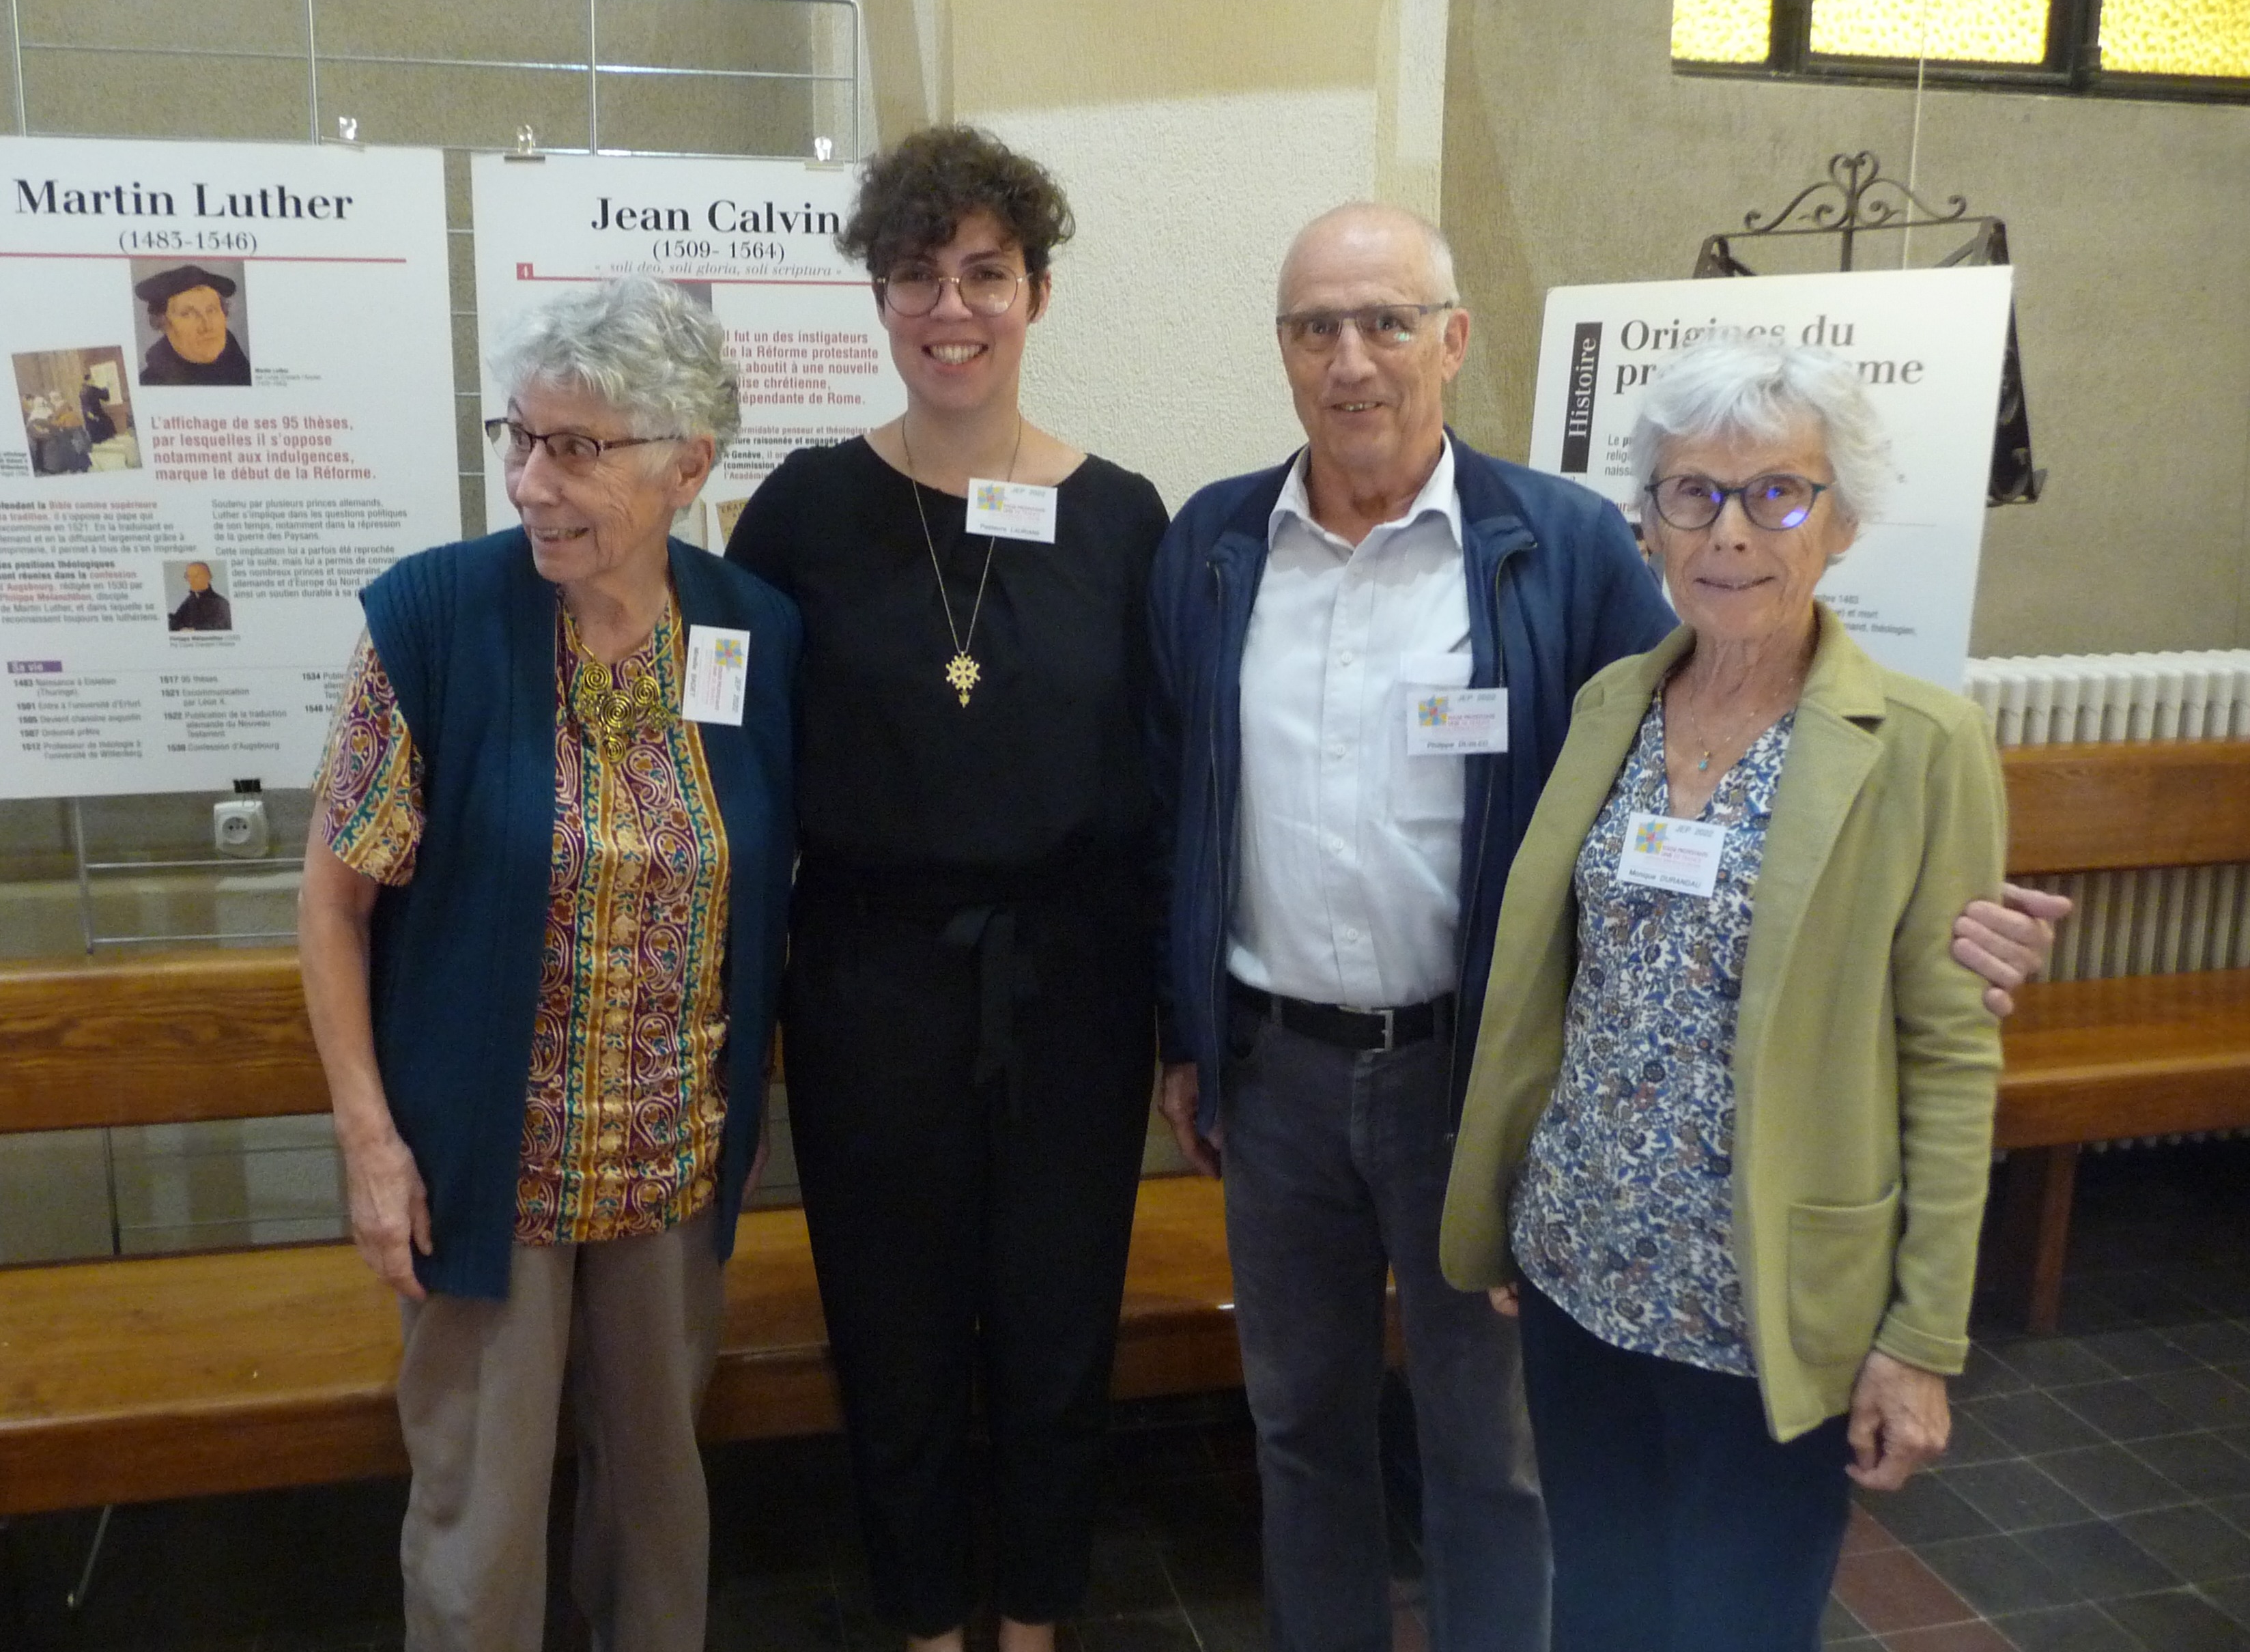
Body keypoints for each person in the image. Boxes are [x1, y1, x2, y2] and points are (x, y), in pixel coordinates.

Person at [1148, 203, 2065, 1652]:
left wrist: (1963, 928)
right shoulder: (1212, 545)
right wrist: (1191, 1034)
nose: (1352, 360)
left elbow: (1851, 826)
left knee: (1488, 1460)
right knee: (1302, 1430)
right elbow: (1182, 796)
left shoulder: (1554, 545)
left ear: (1453, 340)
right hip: (1299, 1083)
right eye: (1316, 327)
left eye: (1388, 321)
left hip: (1476, 1082)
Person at [1439, 339, 2010, 1651]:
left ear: (1841, 520)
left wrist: (1920, 1338)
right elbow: (1561, 983)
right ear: (1648, 526)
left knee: (1737, 1623)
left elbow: (1949, 1055)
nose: (1732, 531)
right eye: (1693, 492)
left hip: (1763, 1299)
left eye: (1779, 494)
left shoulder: (1923, 748)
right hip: (1583, 1272)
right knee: (1597, 1606)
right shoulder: (1610, 708)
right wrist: (1527, 1196)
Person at [296, 274, 799, 1652]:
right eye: (519, 436)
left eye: (578, 447)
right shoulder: (433, 626)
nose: (532, 481)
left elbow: (761, 876)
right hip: (484, 1168)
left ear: (689, 461)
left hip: (671, 1157)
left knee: (656, 1506)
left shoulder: (751, 630)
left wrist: (744, 1081)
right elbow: (333, 906)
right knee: (483, 1520)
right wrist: (370, 1145)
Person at [725, 126, 1166, 1652]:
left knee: (1056, 1326)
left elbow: (1162, 783)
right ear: (880, 301)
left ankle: (1037, 1622)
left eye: (985, 272)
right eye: (917, 276)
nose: (950, 307)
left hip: (1076, 988)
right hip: (869, 984)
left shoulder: (1123, 519)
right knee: (895, 1331)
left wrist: (1178, 1021)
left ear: (1036, 292)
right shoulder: (799, 512)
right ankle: (922, 1622)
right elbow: (740, 765)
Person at [135, 263, 251, 384]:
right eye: (187, 314)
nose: (207, 326)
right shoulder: (150, 382)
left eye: (211, 310)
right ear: (163, 323)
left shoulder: (244, 372)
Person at [168, 560, 232, 631]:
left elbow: (223, 626)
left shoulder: (221, 603)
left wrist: (195, 630)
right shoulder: (189, 601)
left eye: (196, 577)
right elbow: (176, 619)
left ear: (208, 577)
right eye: (189, 577)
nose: (191, 581)